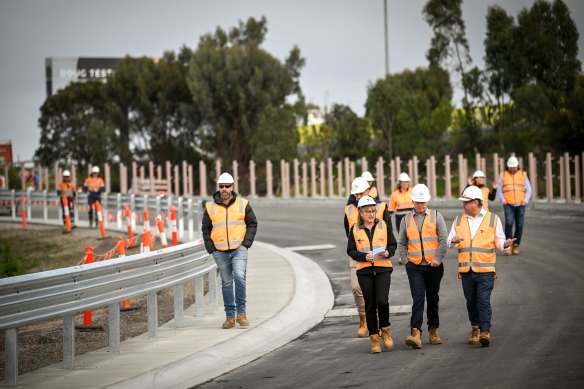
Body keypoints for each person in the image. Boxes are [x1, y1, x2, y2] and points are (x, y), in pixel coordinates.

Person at [447, 186, 516, 347]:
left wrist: (505, 244)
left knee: (483, 300)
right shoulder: (459, 220)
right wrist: (454, 240)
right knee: (471, 301)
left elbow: (499, 241)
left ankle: (485, 331)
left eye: (466, 202)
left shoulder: (493, 219)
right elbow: (449, 240)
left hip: (485, 269)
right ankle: (475, 328)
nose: (462, 205)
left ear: (476, 203)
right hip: (466, 270)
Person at [202, 172, 258, 329]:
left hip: (239, 248)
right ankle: (230, 317)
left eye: (227, 186)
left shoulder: (243, 204)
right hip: (219, 251)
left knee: (239, 277)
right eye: (222, 186)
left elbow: (252, 223)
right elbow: (206, 228)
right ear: (218, 188)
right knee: (227, 283)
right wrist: (211, 248)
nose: (225, 189)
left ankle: (242, 314)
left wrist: (246, 243)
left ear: (232, 187)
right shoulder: (210, 207)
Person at [397, 184, 448, 349]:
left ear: (427, 201)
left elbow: (443, 239)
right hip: (415, 266)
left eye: (423, 202)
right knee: (418, 299)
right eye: (418, 202)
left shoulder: (436, 216)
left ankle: (433, 330)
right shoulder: (406, 219)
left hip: (434, 266)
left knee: (433, 298)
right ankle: (415, 332)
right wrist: (407, 262)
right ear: (412, 201)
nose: (420, 205)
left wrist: (438, 258)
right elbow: (401, 243)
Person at [347, 196, 397, 353]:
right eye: (367, 211)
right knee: (370, 304)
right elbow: (350, 251)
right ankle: (374, 339)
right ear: (361, 212)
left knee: (382, 301)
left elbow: (392, 244)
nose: (371, 214)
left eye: (373, 211)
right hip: (364, 271)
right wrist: (364, 257)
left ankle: (386, 331)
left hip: (383, 268)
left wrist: (388, 252)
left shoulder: (383, 225)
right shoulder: (355, 229)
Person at [496, 156, 531, 256]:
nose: (513, 168)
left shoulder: (523, 175)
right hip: (508, 204)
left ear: (517, 166)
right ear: (508, 166)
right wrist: (503, 200)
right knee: (509, 224)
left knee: (519, 225)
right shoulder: (503, 175)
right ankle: (508, 246)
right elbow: (499, 189)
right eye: (511, 167)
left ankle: (516, 245)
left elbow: (528, 189)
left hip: (520, 204)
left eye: (514, 167)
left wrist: (525, 200)